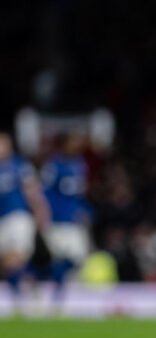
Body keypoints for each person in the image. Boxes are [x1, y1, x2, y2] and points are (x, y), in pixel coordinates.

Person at [40, 133, 95, 310]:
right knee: (59, 258)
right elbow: (45, 194)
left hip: (74, 220)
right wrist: (45, 216)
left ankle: (53, 290)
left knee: (78, 259)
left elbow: (79, 194)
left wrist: (86, 211)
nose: (76, 144)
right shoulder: (53, 165)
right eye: (73, 141)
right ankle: (53, 294)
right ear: (64, 144)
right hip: (57, 220)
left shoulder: (80, 164)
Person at [0, 131, 51, 313]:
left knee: (17, 256)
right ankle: (29, 288)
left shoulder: (19, 165)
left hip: (18, 217)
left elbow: (32, 191)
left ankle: (25, 297)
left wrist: (41, 212)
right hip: (2, 219)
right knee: (7, 262)